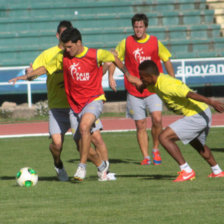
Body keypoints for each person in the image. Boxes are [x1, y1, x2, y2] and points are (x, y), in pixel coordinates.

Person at [9, 21, 114, 182]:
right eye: (63, 35)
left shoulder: (81, 53)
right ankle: (58, 164)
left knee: (94, 139)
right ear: (58, 36)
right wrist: (27, 74)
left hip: (81, 104)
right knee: (57, 145)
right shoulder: (49, 55)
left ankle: (105, 170)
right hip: (58, 106)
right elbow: (37, 71)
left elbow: (102, 64)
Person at [127, 59, 224, 182]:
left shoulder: (167, 85)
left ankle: (186, 170)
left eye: (143, 77)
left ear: (150, 76)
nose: (141, 79)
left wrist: (211, 102)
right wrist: (122, 67)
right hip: (201, 112)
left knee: (164, 137)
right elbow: (140, 83)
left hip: (197, 115)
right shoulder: (155, 82)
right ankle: (217, 171)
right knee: (197, 144)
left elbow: (190, 94)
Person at [60, 27, 129, 181]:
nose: (67, 50)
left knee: (89, 131)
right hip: (75, 105)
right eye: (65, 47)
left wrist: (128, 76)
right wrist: (30, 73)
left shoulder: (95, 54)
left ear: (79, 43)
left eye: (70, 46)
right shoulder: (63, 56)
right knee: (81, 144)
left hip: (93, 100)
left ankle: (82, 167)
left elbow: (112, 58)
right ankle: (101, 167)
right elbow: (46, 66)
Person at [109, 13, 175, 166]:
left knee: (157, 119)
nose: (138, 30)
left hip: (153, 89)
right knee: (140, 124)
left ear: (146, 27)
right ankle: (146, 157)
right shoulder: (126, 42)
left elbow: (167, 59)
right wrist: (111, 76)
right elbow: (114, 58)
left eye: (140, 27)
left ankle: (156, 149)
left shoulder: (154, 42)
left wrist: (172, 78)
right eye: (135, 27)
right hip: (134, 90)